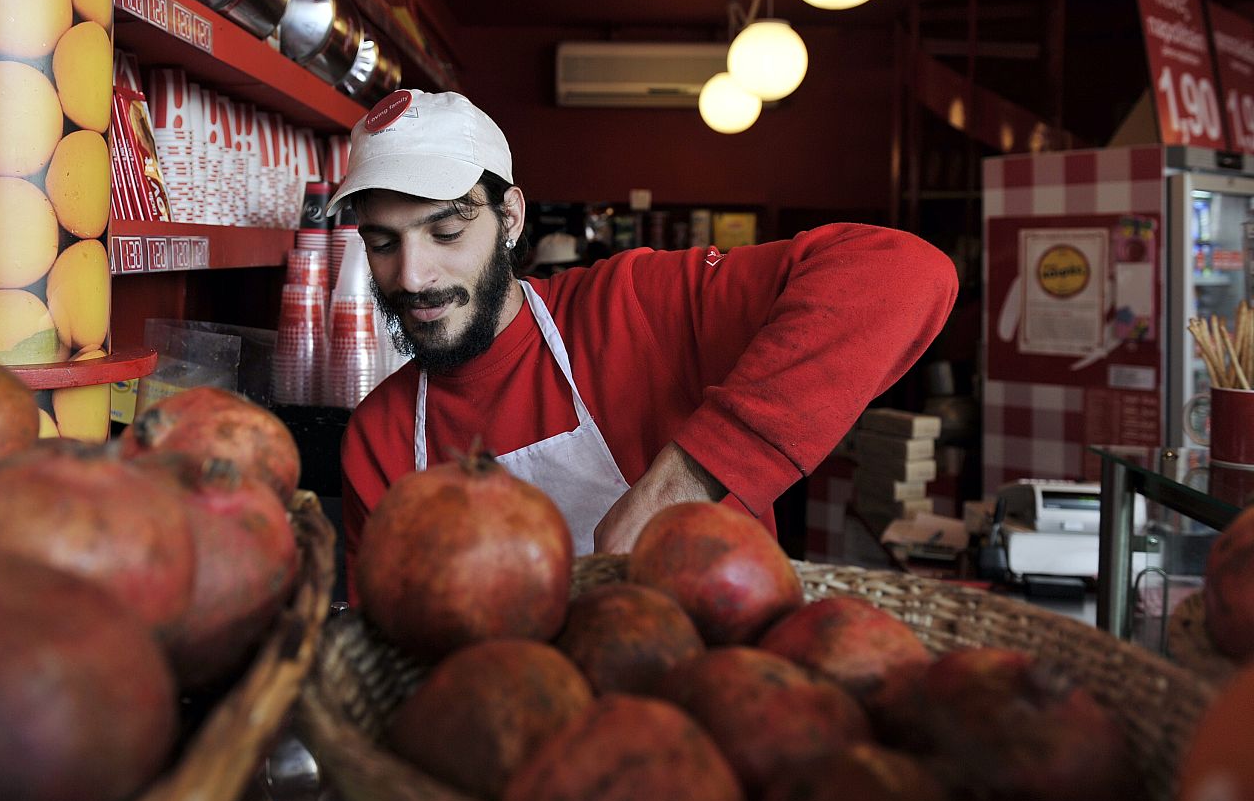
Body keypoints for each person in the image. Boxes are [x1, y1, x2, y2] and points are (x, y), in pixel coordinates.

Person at [329, 89, 957, 582]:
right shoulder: (379, 443)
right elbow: (388, 659)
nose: (412, 276)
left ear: (511, 217)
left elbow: (902, 273)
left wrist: (688, 476)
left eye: (446, 234)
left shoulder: (634, 309)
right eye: (382, 243)